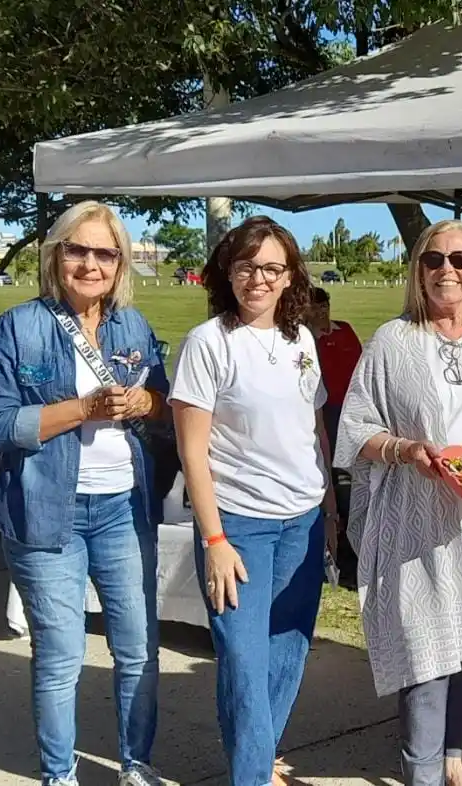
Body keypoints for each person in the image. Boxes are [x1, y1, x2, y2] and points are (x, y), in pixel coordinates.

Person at [334, 219, 462, 786]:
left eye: (460, 260)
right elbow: (354, 429)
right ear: (418, 270)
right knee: (427, 652)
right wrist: (403, 449)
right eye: (433, 260)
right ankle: (420, 771)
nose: (446, 270)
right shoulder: (393, 342)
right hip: (421, 524)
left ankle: (452, 754)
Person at [0, 200, 169, 786]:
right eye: (77, 249)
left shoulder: (132, 326)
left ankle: (135, 765)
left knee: (137, 651)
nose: (90, 263)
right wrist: (80, 410)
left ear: (120, 263)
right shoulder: (20, 326)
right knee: (61, 659)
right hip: (45, 512)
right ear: (56, 255)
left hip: (124, 510)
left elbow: (164, 406)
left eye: (104, 253)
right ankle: (59, 776)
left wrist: (145, 403)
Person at [169, 216, 339, 786]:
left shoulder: (302, 341)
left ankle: (259, 759)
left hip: (303, 520)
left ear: (290, 276)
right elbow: (193, 453)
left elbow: (313, 427)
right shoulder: (208, 343)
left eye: (271, 267)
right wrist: (214, 540)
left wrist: (330, 512)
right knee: (243, 661)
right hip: (239, 524)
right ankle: (253, 774)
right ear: (226, 271)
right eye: (246, 266)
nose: (258, 279)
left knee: (287, 651)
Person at [309, 286, 363, 584]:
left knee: (354, 483)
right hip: (326, 414)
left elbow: (359, 364)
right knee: (336, 483)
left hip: (351, 412)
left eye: (324, 305)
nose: (321, 312)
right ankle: (340, 553)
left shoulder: (344, 331)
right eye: (314, 307)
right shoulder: (307, 343)